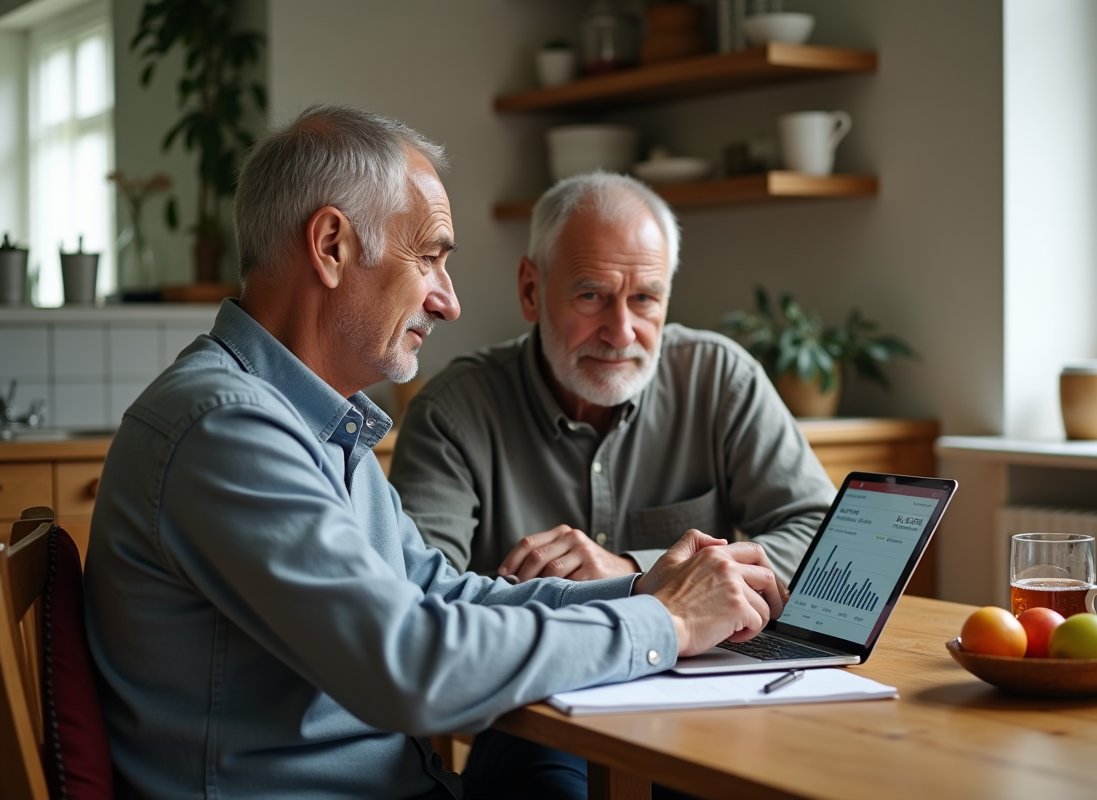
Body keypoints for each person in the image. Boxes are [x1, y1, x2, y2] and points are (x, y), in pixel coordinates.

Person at [83, 105, 788, 800]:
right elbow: (413, 665)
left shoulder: (314, 425)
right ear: (331, 246)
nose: (448, 301)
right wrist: (669, 622)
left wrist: (640, 590)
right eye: (429, 256)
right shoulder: (228, 430)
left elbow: (444, 593)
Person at [388, 171, 837, 798]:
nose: (622, 331)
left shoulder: (719, 378)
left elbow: (821, 532)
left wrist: (634, 567)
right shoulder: (454, 411)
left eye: (646, 299)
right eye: (592, 296)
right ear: (530, 290)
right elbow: (415, 606)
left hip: (709, 702)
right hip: (542, 719)